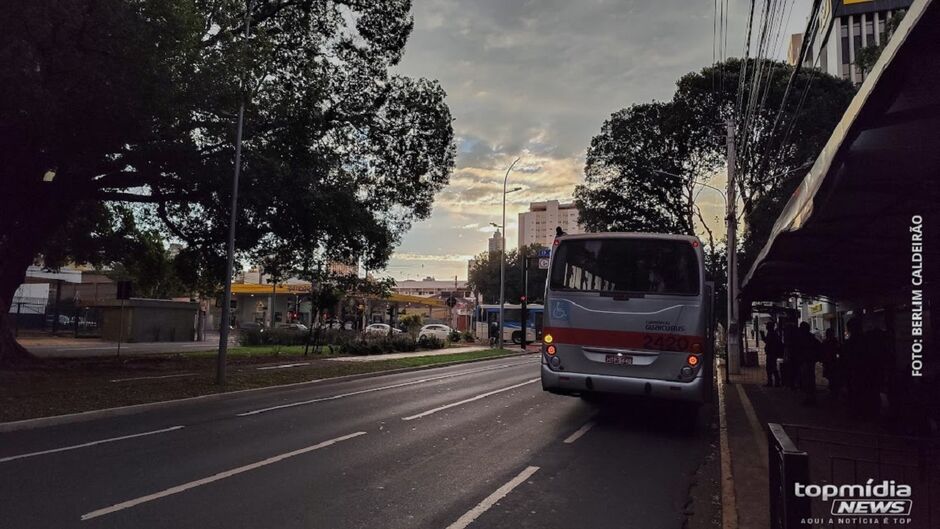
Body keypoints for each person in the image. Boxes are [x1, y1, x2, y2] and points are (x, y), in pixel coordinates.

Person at [797, 322, 820, 405]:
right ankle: (810, 397)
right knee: (809, 378)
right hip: (809, 360)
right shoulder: (810, 337)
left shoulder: (805, 338)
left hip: (806, 360)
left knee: (808, 379)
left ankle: (810, 398)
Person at [820, 327, 841, 395]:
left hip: (829, 361)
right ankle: (834, 388)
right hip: (832, 360)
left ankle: (833, 388)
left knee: (830, 374)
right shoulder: (834, 341)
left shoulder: (826, 342)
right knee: (832, 374)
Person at [762, 321, 783, 387]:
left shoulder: (772, 333)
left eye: (767, 325)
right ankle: (775, 382)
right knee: (772, 368)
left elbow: (767, 342)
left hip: (771, 353)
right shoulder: (773, 333)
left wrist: (763, 336)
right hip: (772, 353)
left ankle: (773, 382)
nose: (766, 327)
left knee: (771, 368)